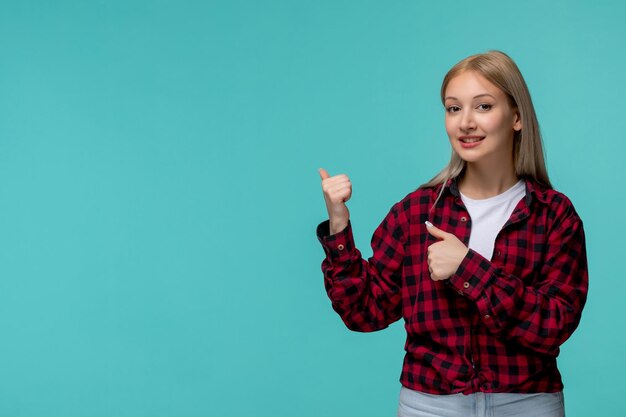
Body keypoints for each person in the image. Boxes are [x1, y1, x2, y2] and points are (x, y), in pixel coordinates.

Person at [316, 51, 588, 417]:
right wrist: (338, 225)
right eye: (454, 108)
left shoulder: (553, 214)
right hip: (429, 406)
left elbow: (555, 323)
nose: (466, 123)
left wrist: (467, 269)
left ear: (517, 117)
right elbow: (364, 311)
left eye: (483, 106)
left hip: (527, 405)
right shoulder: (416, 212)